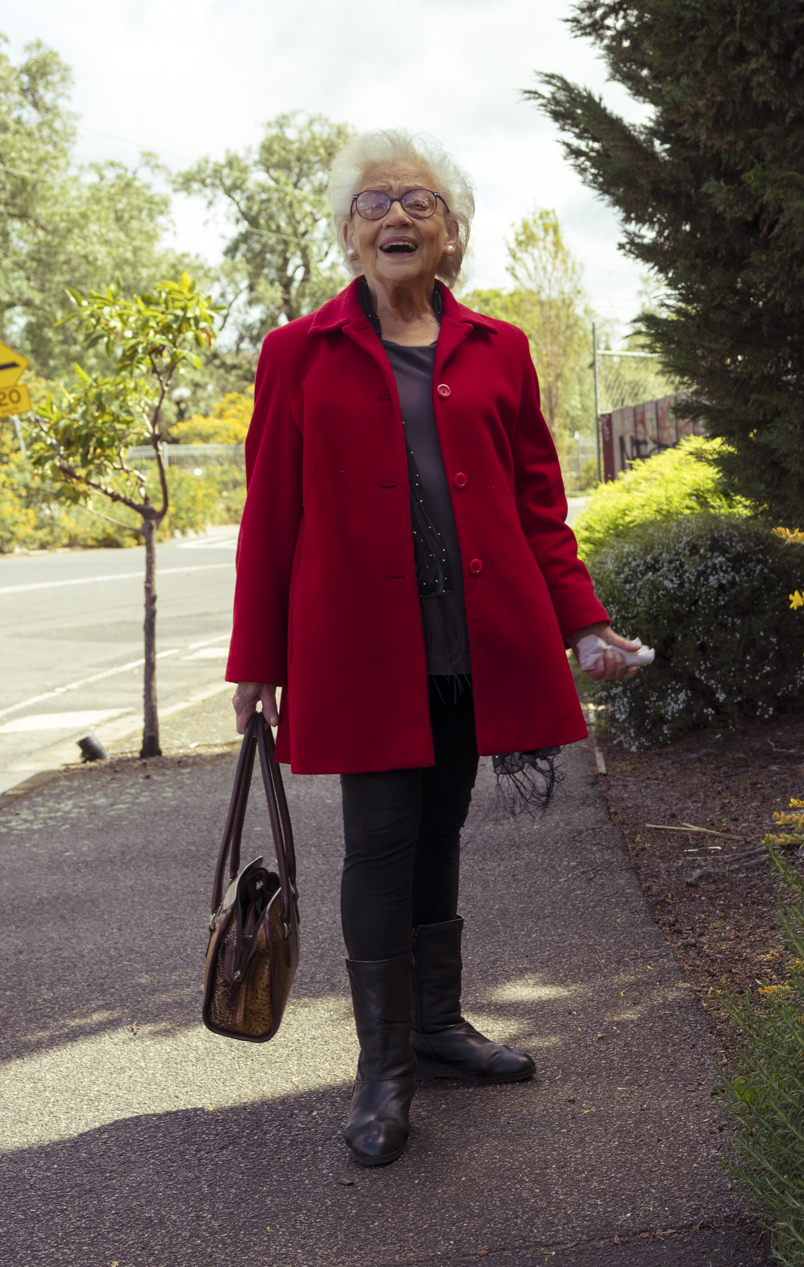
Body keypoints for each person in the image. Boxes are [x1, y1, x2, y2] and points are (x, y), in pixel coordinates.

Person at [225, 129, 639, 1168]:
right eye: (373, 202)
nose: (395, 216)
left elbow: (538, 506)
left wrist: (583, 619)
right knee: (378, 841)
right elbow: (270, 512)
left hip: (473, 643)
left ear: (450, 232)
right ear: (347, 232)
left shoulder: (498, 349)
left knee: (439, 828)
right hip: (359, 650)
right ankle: (384, 1066)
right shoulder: (297, 353)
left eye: (417, 200)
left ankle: (440, 1028)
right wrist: (255, 659)